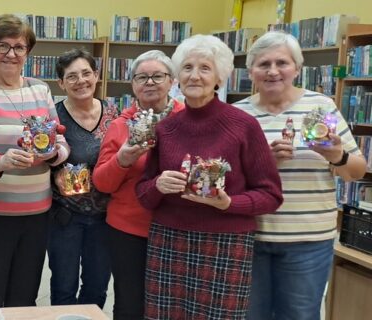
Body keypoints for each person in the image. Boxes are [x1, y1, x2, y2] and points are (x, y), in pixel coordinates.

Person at [134, 34, 284, 319]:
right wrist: (157, 185)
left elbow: (271, 195)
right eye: (187, 67)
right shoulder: (165, 129)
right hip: (170, 240)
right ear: (177, 77)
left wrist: (228, 203)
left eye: (205, 68)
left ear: (219, 77)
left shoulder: (244, 126)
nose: (194, 76)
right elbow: (143, 193)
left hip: (226, 243)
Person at [233, 31, 366, 320]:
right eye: (263, 64)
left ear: (297, 68)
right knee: (248, 315)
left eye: (282, 63)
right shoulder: (236, 115)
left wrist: (336, 155)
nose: (273, 71)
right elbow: (227, 181)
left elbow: (356, 171)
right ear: (250, 71)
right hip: (249, 237)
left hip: (308, 241)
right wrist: (263, 163)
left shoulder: (321, 107)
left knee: (299, 315)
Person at [0, 14, 70, 307]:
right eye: (3, 46)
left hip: (36, 213)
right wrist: (0, 163)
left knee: (24, 296)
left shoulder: (40, 89)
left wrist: (53, 154)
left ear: (28, 52)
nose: (11, 54)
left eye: (19, 47)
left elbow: (60, 142)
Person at [92, 50, 185, 319]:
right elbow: (102, 183)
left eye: (157, 76)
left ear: (172, 81)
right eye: (142, 77)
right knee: (130, 303)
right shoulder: (120, 125)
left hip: (178, 227)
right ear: (133, 84)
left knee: (171, 303)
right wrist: (121, 159)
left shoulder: (188, 120)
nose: (149, 82)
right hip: (128, 229)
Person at [47, 48, 113, 309]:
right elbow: (40, 159)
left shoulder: (114, 114)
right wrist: (54, 178)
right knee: (64, 287)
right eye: (71, 76)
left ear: (96, 75)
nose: (81, 81)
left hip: (106, 217)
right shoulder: (52, 117)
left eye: (86, 73)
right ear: (61, 83)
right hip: (65, 216)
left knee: (97, 287)